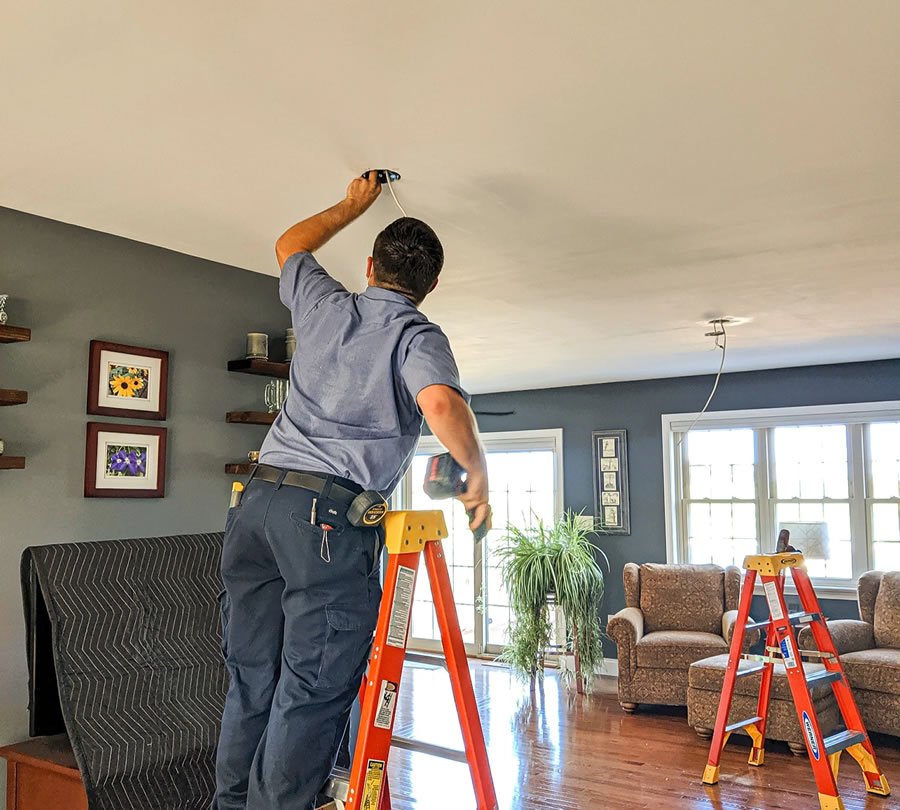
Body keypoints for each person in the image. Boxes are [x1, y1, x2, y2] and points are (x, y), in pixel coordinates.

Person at [212, 172, 490, 810]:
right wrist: (476, 475)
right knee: (311, 687)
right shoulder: (417, 334)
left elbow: (289, 243)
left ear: (368, 265)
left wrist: (351, 204)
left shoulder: (325, 303)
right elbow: (442, 403)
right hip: (325, 522)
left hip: (256, 505)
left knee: (253, 679)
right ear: (432, 287)